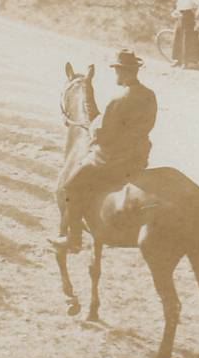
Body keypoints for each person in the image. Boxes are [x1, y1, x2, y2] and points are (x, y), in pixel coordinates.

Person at [51, 49, 158, 252]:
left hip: (113, 160)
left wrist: (94, 136)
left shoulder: (118, 100)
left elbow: (104, 134)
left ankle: (73, 238)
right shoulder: (149, 95)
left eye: (116, 71)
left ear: (122, 71)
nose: (115, 75)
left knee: (71, 186)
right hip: (139, 157)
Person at [171, 0, 199, 68]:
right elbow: (179, 9)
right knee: (177, 37)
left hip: (188, 18)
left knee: (186, 39)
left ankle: (185, 62)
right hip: (180, 18)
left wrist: (197, 14)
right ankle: (177, 59)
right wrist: (175, 13)